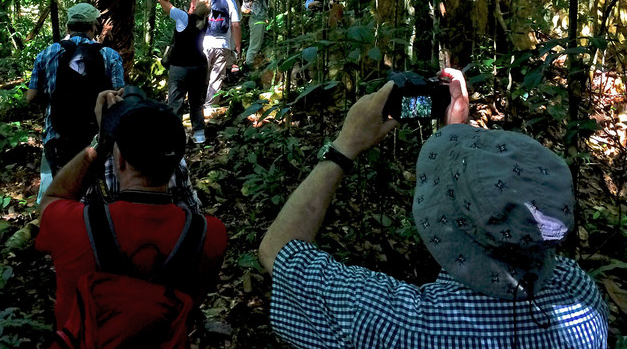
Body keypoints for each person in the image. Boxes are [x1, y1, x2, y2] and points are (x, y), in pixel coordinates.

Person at [258, 69, 608, 348]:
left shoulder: (407, 327)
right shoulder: (582, 299)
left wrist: (345, 146)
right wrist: (457, 137)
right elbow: (508, 223)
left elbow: (278, 251)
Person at [36, 89, 228, 332]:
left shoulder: (73, 226)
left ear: (119, 160)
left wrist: (100, 140)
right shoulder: (210, 236)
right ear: (178, 160)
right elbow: (194, 300)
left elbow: (51, 198)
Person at [27, 3, 124, 204]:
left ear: (68, 27)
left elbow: (31, 97)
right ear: (93, 27)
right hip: (98, 138)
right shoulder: (110, 55)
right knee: (96, 190)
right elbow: (119, 98)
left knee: (63, 192)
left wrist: (55, 98)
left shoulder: (47, 53)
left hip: (57, 136)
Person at [158, 0, 209, 144]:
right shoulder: (204, 20)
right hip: (200, 66)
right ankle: (200, 134)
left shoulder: (183, 18)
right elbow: (196, 0)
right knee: (196, 101)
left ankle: (174, 137)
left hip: (180, 66)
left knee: (175, 101)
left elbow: (162, 0)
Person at [203, 0, 241, 110]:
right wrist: (237, 46)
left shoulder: (203, 0)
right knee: (216, 77)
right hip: (223, 44)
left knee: (200, 75)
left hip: (204, 44)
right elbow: (235, 24)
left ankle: (195, 105)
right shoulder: (229, 1)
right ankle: (210, 107)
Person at [241, 0, 268, 69]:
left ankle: (251, 64)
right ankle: (248, 65)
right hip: (255, 18)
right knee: (254, 44)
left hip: (259, 18)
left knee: (257, 43)